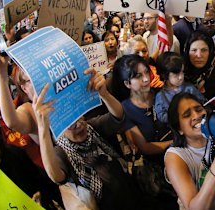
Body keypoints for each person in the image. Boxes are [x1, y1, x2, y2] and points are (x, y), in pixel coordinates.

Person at [33, 70, 143, 210]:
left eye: (80, 117)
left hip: (130, 196)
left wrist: (104, 94)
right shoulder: (61, 152)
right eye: (71, 123)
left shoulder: (92, 128)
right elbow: (55, 176)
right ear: (59, 127)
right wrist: (43, 129)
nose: (79, 124)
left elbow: (119, 117)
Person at [164, 92, 215, 210]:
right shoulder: (175, 157)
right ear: (179, 129)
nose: (196, 116)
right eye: (187, 115)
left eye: (199, 109)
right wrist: (214, 174)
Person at [112, 55, 172, 157]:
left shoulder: (161, 94)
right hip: (157, 160)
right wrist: (177, 143)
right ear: (127, 83)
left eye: (146, 72)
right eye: (138, 76)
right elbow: (145, 148)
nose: (146, 79)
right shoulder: (125, 109)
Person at [154, 52, 205, 124]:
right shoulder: (161, 96)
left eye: (182, 72)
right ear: (164, 75)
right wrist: (177, 117)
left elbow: (202, 102)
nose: (181, 77)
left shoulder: (189, 88)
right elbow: (161, 116)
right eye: (176, 74)